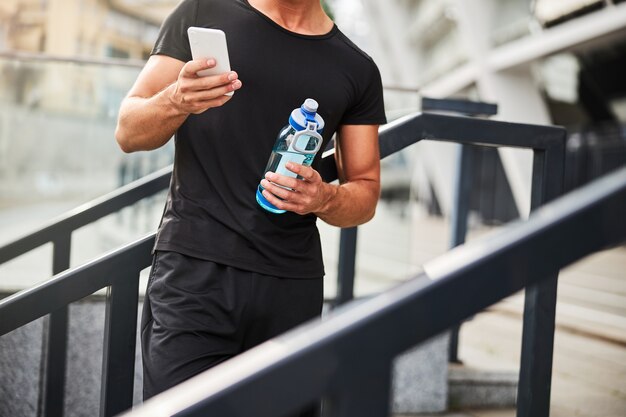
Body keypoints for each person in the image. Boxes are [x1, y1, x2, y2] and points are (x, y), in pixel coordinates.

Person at [115, 0, 386, 414]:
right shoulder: (202, 12)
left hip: (291, 288)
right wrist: (177, 99)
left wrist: (324, 197)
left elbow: (365, 192)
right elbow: (128, 130)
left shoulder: (357, 67)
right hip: (194, 277)